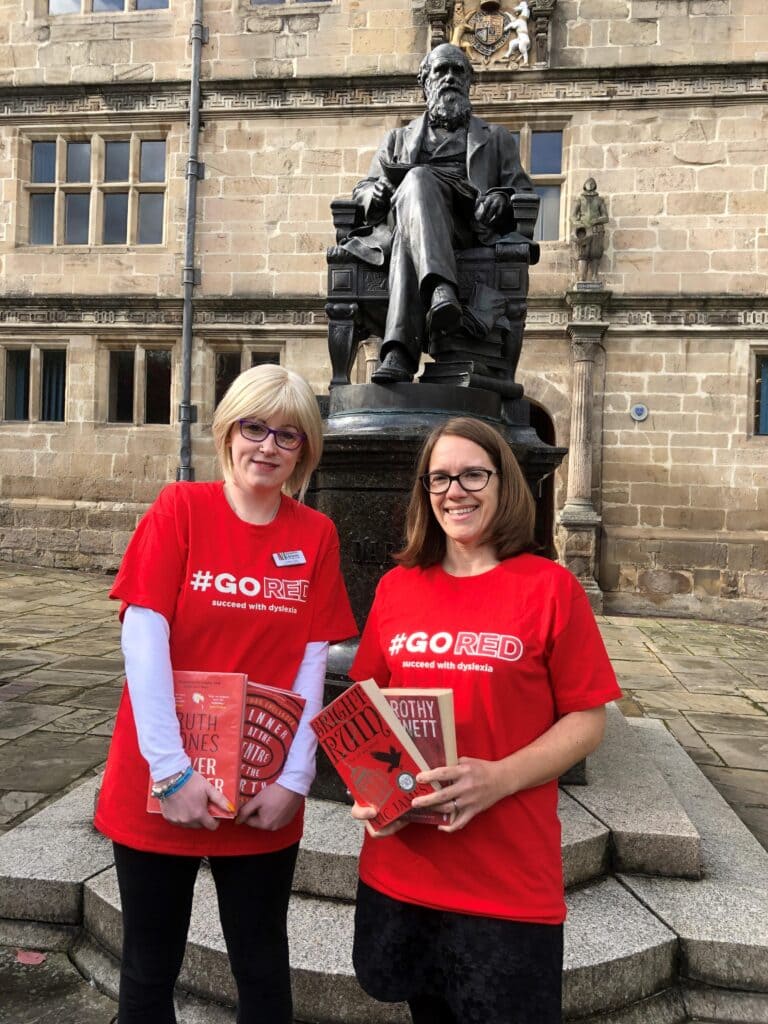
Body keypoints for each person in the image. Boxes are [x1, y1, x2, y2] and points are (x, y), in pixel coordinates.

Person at [94, 364, 357, 1024]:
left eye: (288, 435)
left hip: (261, 787)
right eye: (254, 427)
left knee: (262, 965)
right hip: (161, 779)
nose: (267, 446)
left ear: (305, 451)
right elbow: (144, 640)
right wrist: (171, 769)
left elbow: (309, 660)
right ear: (228, 431)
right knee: (150, 968)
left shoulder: (315, 534)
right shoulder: (180, 509)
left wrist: (295, 779)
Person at [348, 416, 621, 1024]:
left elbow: (587, 719)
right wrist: (372, 800)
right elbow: (368, 711)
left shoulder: (550, 588)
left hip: (504, 880)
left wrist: (498, 777)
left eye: (473, 473)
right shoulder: (397, 587)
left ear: (504, 484)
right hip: (405, 867)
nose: (454, 490)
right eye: (439, 478)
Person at [342, 44, 535, 384]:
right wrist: (377, 193)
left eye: (457, 71)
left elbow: (522, 192)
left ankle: (400, 353)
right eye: (440, 71)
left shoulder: (497, 138)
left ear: (469, 83)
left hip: (467, 225)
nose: (449, 78)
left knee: (416, 185)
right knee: (411, 202)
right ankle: (439, 293)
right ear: (426, 82)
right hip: (408, 228)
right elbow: (362, 190)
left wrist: (501, 199)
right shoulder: (397, 139)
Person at [571, 177, 609, 283]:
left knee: (595, 253)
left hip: (596, 229)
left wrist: (596, 220)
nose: (590, 185)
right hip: (583, 230)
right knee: (582, 254)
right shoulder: (579, 200)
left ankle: (594, 277)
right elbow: (573, 217)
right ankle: (581, 278)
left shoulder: (599, 200)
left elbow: (605, 217)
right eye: (589, 184)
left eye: (592, 183)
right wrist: (579, 224)